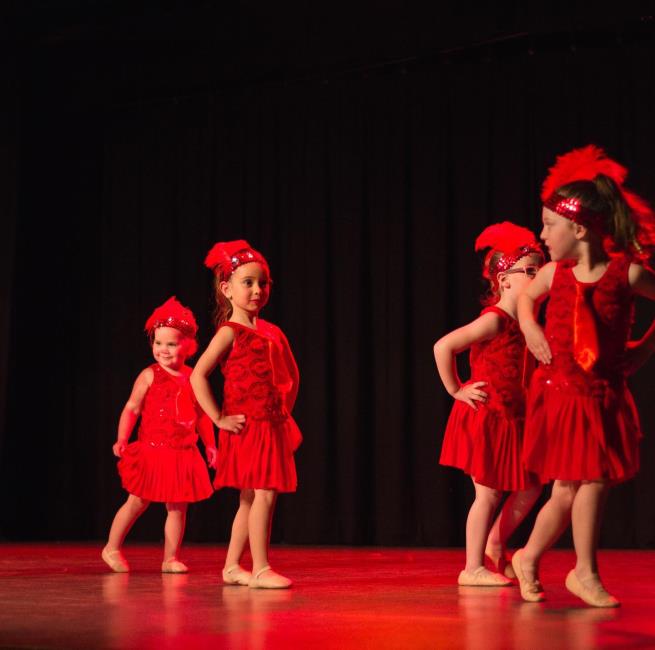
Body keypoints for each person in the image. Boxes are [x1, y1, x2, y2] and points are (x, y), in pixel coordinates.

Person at [513, 145, 655, 607]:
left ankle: (528, 557)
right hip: (560, 393)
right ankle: (584, 572)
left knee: (570, 488)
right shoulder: (554, 273)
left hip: (602, 393)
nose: (541, 234)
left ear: (578, 229)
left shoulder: (626, 274)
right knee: (586, 481)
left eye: (548, 225)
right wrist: (531, 327)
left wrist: (644, 348)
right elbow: (523, 300)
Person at [435, 222, 544, 586]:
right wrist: (456, 389)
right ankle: (472, 567)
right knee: (489, 493)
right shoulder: (495, 320)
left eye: (539, 270)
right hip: (489, 416)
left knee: (531, 485)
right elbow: (443, 346)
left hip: (514, 416)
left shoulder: (526, 321)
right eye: (529, 271)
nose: (538, 278)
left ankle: (496, 543)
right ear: (503, 281)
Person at [190, 240, 302, 589]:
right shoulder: (229, 332)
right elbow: (197, 375)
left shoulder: (273, 332)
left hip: (270, 425)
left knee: (251, 497)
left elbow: (293, 376)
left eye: (263, 283)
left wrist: (282, 413)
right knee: (263, 494)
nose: (257, 290)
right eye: (248, 283)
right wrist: (218, 418)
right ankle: (261, 569)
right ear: (227, 289)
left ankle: (231, 567)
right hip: (245, 426)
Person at [102, 297, 217, 573]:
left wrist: (211, 446)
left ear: (188, 346)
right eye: (158, 343)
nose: (163, 349)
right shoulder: (148, 375)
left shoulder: (193, 378)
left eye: (171, 344)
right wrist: (122, 438)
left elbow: (202, 416)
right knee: (137, 501)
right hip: (152, 450)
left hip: (182, 453)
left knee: (177, 508)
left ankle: (170, 558)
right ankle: (111, 547)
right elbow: (132, 408)